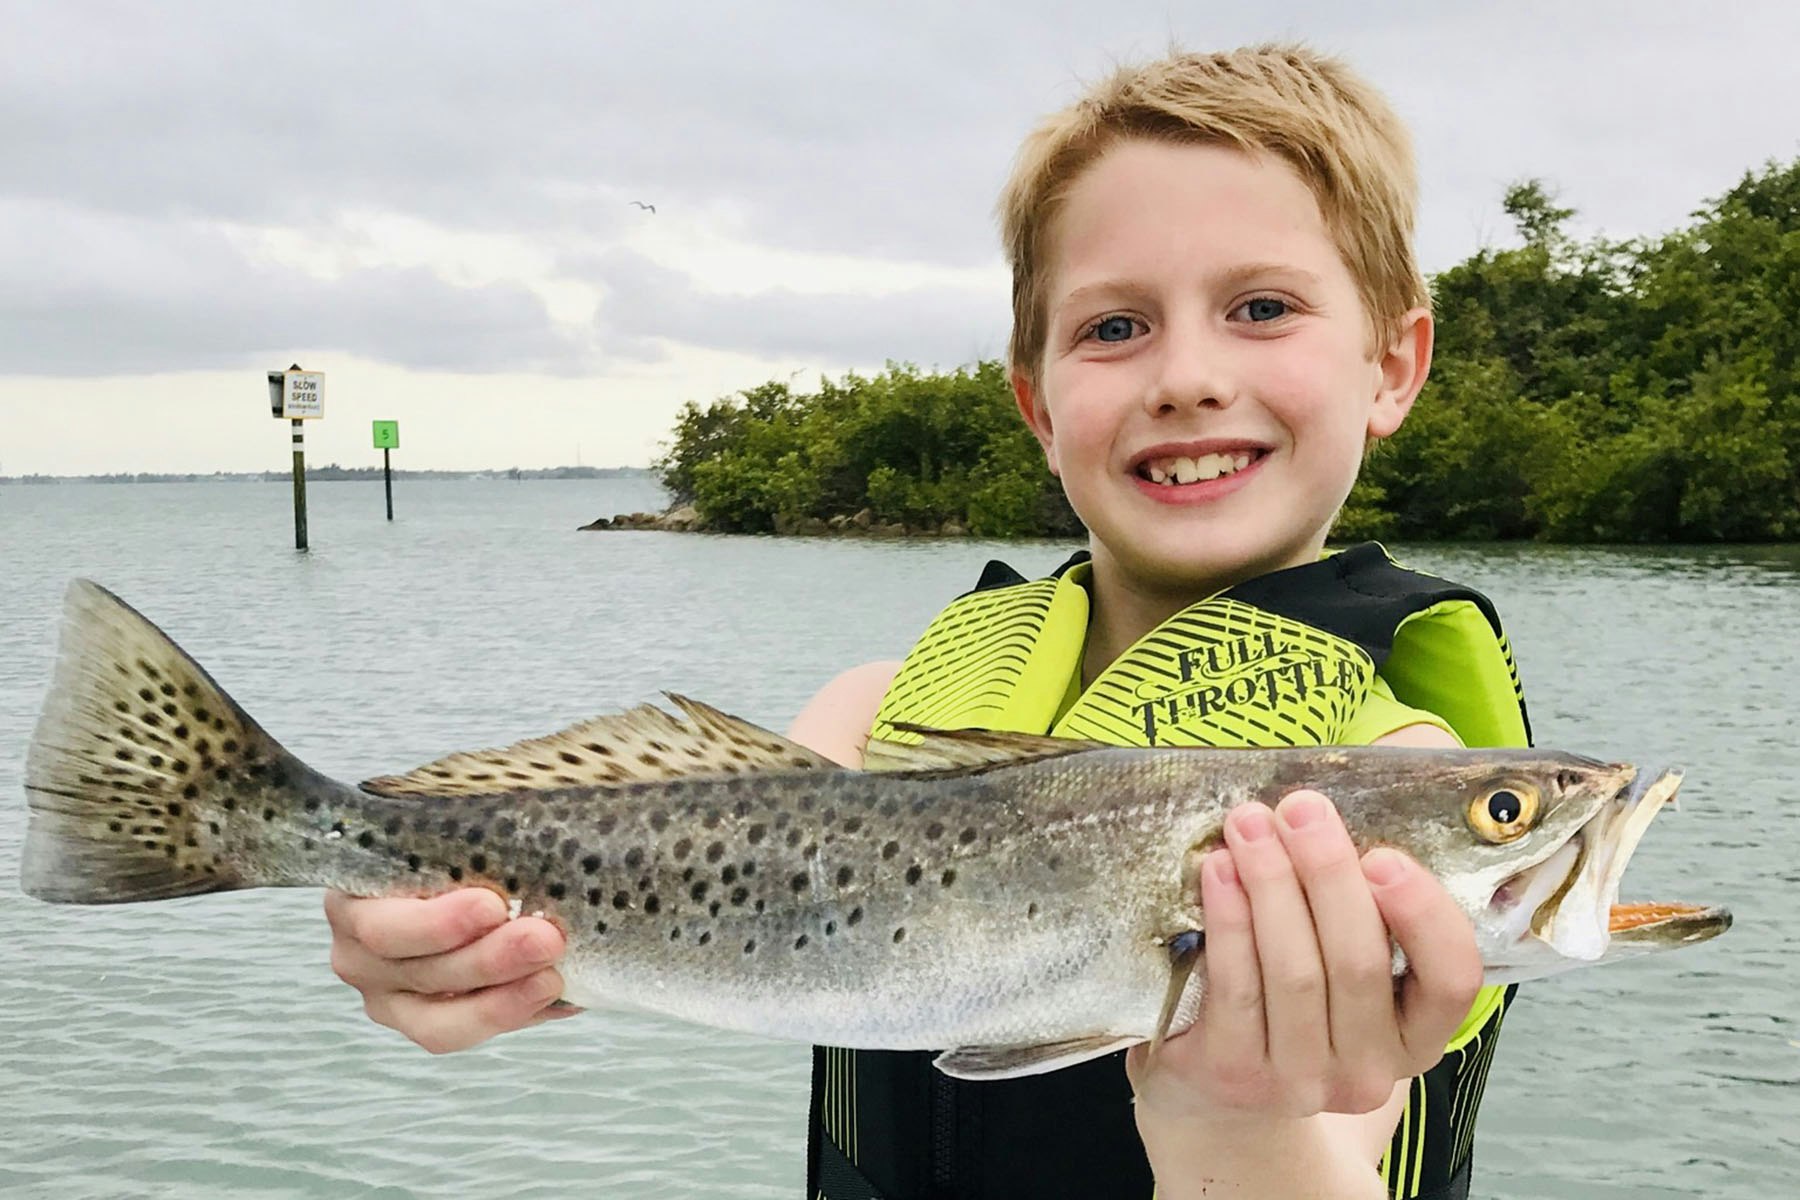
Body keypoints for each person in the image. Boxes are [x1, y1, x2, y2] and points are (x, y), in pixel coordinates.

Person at [326, 43, 1531, 1200]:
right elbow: (705, 936)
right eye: (1114, 327)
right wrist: (447, 945)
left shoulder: (1401, 783)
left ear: (1392, 365)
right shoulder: (869, 713)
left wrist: (1237, 1128)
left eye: (1262, 307)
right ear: (1037, 404)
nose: (1187, 377)